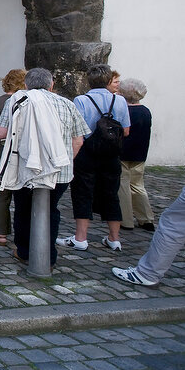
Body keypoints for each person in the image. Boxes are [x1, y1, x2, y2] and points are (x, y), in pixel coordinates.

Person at [112, 84, 185, 286]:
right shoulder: (144, 110)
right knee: (137, 188)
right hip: (138, 157)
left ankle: (147, 273)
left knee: (173, 223)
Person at [0, 67, 89, 267]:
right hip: (59, 171)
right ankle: (49, 255)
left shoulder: (17, 102)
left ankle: (24, 251)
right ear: (51, 84)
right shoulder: (67, 104)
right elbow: (78, 140)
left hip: (25, 169)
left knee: (23, 210)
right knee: (51, 210)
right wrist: (65, 160)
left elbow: (0, 132)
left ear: (26, 85)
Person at [59, 64, 131, 252]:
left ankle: (81, 237)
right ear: (109, 80)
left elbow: (77, 131)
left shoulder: (81, 100)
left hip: (87, 153)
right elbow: (126, 130)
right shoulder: (120, 101)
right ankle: (114, 238)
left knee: (83, 193)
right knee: (111, 193)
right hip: (111, 153)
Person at [0, 69, 27, 246]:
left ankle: (1, 233)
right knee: (22, 192)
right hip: (21, 149)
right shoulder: (27, 102)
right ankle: (23, 232)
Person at [118, 78, 154, 231]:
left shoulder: (124, 111)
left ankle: (125, 220)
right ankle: (146, 218)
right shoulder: (145, 111)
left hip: (123, 153)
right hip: (140, 153)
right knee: (138, 186)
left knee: (123, 186)